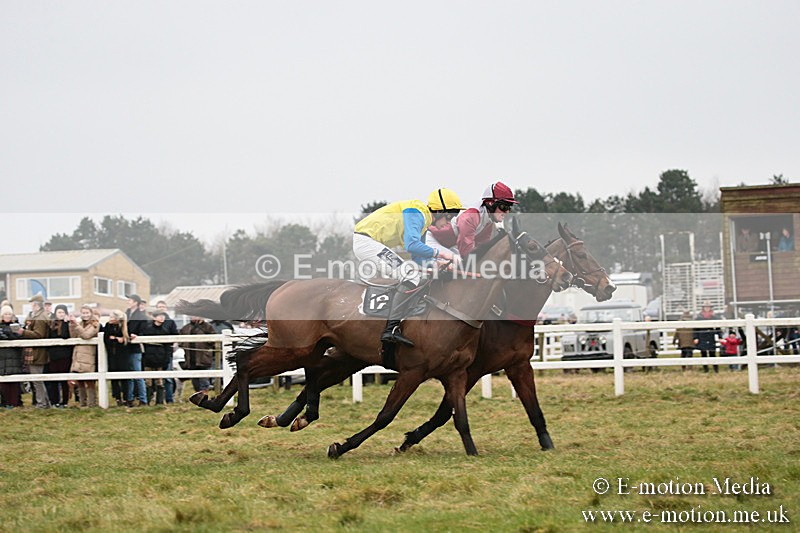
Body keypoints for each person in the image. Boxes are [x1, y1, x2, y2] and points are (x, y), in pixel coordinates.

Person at [353, 188, 463, 347]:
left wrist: (437, 265)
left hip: (371, 242)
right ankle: (390, 329)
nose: (449, 222)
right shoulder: (416, 212)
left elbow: (419, 258)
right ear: (439, 211)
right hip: (366, 242)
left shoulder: (424, 221)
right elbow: (412, 245)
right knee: (410, 275)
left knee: (415, 274)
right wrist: (442, 255)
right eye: (450, 216)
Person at [428, 181, 519, 260]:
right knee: (456, 262)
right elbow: (466, 251)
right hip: (432, 240)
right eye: (503, 207)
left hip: (450, 246)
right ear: (490, 203)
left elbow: (481, 248)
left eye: (509, 207)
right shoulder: (472, 216)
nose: (507, 212)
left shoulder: (488, 222)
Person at [19, 294, 51, 408]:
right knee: (37, 379)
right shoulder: (38, 316)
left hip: (37, 352)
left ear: (35, 304)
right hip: (35, 351)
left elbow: (38, 335)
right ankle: (45, 402)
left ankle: (41, 403)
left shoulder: (40, 317)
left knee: (37, 379)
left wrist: (22, 332)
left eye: (32, 304)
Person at [140, 309, 177, 405]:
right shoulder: (147, 329)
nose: (162, 318)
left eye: (163, 316)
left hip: (160, 358)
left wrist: (166, 359)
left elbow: (168, 346)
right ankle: (147, 401)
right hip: (148, 358)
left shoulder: (165, 331)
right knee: (148, 381)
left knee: (159, 381)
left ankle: (159, 402)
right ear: (154, 317)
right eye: (159, 316)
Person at [68, 304, 100, 407]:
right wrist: (72, 325)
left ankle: (92, 403)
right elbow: (73, 336)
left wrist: (76, 325)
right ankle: (82, 403)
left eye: (87, 313)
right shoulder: (80, 323)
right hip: (78, 354)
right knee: (80, 381)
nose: (85, 315)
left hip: (88, 355)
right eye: (83, 313)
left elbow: (86, 335)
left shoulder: (95, 324)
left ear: (91, 313)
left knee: (90, 381)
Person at [179, 317, 217, 396]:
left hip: (203, 356)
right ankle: (197, 394)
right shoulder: (185, 328)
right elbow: (180, 341)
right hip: (190, 357)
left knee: (204, 378)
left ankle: (204, 394)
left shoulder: (207, 327)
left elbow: (213, 340)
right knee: (194, 378)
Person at [102, 310, 132, 406]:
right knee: (114, 378)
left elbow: (127, 340)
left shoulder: (125, 326)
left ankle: (126, 398)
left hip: (123, 355)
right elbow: (106, 339)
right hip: (112, 355)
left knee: (124, 378)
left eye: (111, 317)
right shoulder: (107, 326)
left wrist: (116, 339)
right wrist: (116, 339)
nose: (110, 319)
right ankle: (118, 398)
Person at [45, 304, 72, 407]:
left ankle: (64, 402)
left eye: (62, 312)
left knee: (64, 380)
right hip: (53, 355)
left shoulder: (68, 324)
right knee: (53, 380)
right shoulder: (51, 324)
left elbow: (65, 335)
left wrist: (65, 323)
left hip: (64, 355)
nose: (60, 314)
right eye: (59, 312)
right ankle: (54, 401)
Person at [125, 294, 149, 406]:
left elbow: (144, 331)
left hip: (135, 348)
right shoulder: (126, 314)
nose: (128, 302)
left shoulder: (142, 316)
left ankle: (143, 399)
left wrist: (137, 335)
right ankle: (129, 398)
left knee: (137, 374)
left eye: (130, 300)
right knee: (129, 374)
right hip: (125, 347)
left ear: (135, 302)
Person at [0, 305, 23, 408]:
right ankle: (5, 402)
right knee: (3, 382)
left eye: (9, 314)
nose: (7, 316)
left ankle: (15, 402)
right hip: (2, 357)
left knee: (14, 381)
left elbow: (18, 336)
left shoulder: (16, 326)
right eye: (5, 314)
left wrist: (8, 334)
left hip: (14, 356)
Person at [693, 301, 721, 373]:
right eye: (706, 307)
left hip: (711, 337)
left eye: (709, 307)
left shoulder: (714, 317)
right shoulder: (699, 318)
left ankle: (716, 369)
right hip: (702, 337)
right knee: (703, 353)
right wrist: (695, 337)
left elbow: (718, 328)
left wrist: (720, 336)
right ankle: (706, 369)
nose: (707, 308)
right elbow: (695, 329)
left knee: (712, 353)